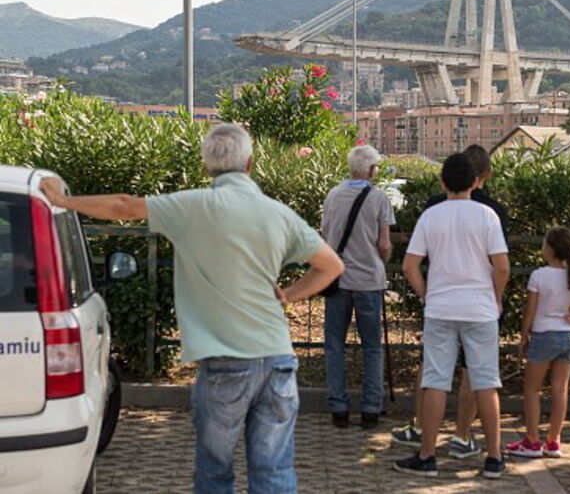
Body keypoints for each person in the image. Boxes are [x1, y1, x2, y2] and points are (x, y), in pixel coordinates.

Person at [39, 123, 345, 494]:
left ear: (206, 167)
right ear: (250, 164)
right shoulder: (279, 214)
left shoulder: (190, 206)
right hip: (277, 360)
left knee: (215, 472)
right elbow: (331, 266)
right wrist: (290, 295)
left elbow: (123, 206)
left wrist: (63, 201)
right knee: (274, 471)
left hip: (225, 363)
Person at [392, 153, 510, 479]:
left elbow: (409, 265)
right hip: (481, 308)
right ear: (476, 181)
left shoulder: (431, 216)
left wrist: (426, 294)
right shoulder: (487, 216)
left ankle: (427, 455)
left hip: (441, 307)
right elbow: (501, 266)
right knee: (486, 382)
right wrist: (496, 298)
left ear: (442, 182)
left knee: (435, 381)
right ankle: (494, 458)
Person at [321, 145, 395, 429]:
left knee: (334, 346)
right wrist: (382, 259)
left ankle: (338, 408)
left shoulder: (333, 195)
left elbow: (326, 236)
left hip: (337, 279)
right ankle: (370, 409)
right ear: (372, 170)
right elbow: (384, 244)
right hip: (368, 281)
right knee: (372, 347)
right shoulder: (379, 198)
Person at [505, 226, 570, 459]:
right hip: (568, 335)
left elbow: (530, 310)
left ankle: (532, 439)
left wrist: (523, 335)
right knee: (560, 389)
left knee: (533, 389)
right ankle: (554, 440)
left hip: (544, 334)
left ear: (549, 248)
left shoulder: (539, 275)